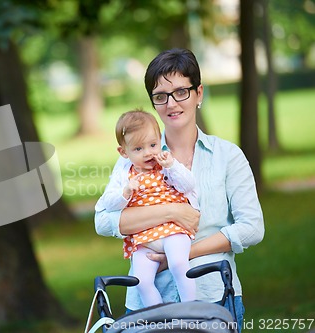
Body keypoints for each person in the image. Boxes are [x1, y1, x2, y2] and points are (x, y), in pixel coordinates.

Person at [94, 48, 264, 330]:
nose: (171, 104)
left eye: (181, 92)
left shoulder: (227, 156)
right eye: (160, 96)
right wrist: (172, 211)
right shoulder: (133, 158)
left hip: (213, 297)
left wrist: (185, 253)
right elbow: (103, 220)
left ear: (199, 94)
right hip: (144, 307)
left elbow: (252, 227)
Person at [102, 109, 199, 307]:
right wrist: (125, 192)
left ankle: (191, 308)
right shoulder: (123, 175)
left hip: (173, 229)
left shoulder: (166, 163)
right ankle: (158, 316)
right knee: (141, 281)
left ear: (159, 139)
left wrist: (172, 166)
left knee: (179, 264)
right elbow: (108, 204)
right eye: (138, 149)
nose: (148, 153)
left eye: (152, 145)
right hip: (144, 237)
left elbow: (188, 185)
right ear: (124, 152)